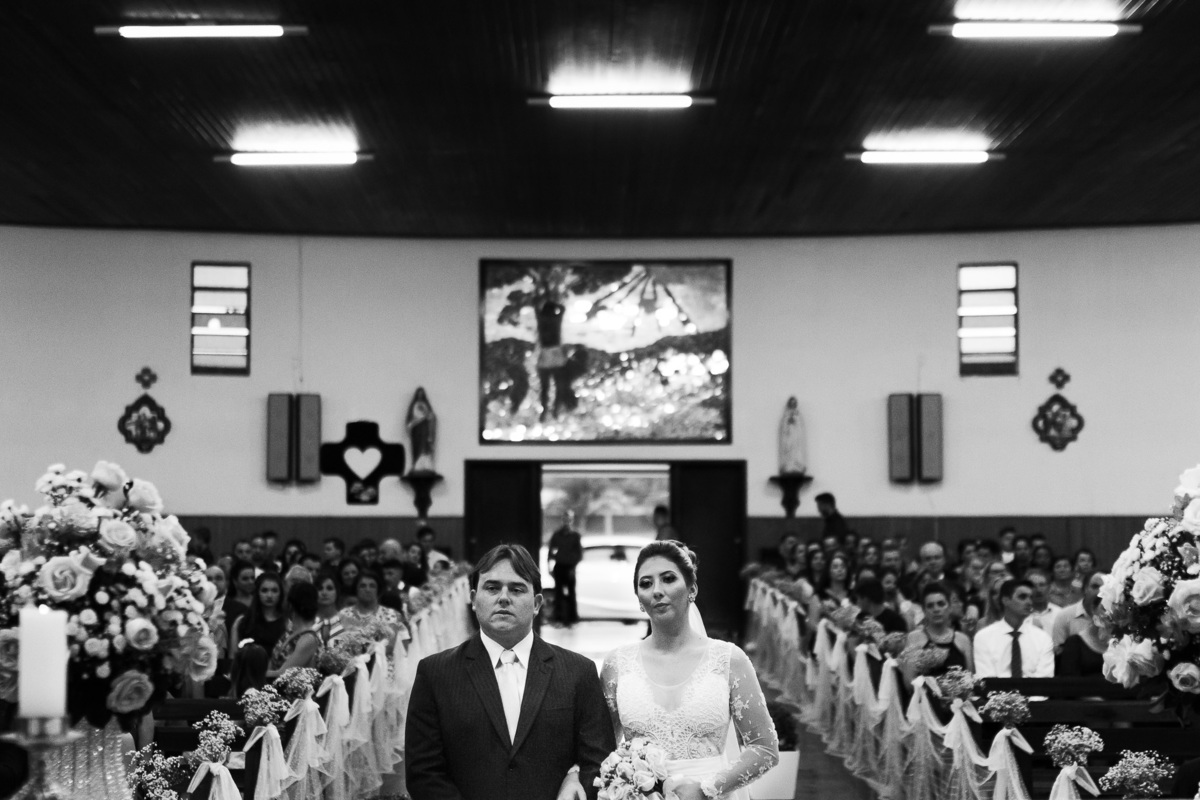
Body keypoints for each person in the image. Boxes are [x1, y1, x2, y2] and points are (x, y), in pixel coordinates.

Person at [406, 543, 614, 800]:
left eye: (517, 589)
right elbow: (423, 773)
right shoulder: (435, 673)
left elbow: (599, 761)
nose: (503, 597)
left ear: (537, 603)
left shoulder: (577, 672)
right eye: (492, 588)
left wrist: (576, 778)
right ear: (473, 599)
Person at [601, 541, 779, 800]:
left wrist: (707, 788)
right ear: (639, 599)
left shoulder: (729, 659)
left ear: (692, 588)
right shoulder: (616, 664)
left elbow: (765, 748)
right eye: (646, 583)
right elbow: (599, 745)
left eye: (668, 579)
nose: (657, 591)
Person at [973, 578, 1054, 678]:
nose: (1029, 602)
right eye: (1022, 597)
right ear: (1005, 600)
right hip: (996, 692)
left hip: (1034, 693)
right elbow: (987, 679)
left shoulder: (1043, 638)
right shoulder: (983, 637)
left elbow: (1044, 680)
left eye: (1031, 597)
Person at [903, 582, 974, 682]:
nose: (936, 609)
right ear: (924, 611)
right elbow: (909, 682)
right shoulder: (914, 638)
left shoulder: (962, 639)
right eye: (930, 606)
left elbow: (970, 679)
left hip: (958, 696)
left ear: (949, 607)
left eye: (941, 604)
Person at [267, 582, 322, 678]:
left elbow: (283, 674)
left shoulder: (308, 639)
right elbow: (272, 665)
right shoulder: (289, 632)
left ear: (291, 604)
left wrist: (250, 673)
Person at [1052, 571, 1106, 654]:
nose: (1099, 592)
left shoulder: (1116, 618)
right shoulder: (1064, 616)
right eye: (1095, 587)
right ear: (1085, 588)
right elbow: (1058, 654)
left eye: (1105, 587)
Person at [547, 511, 583, 625]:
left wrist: (573, 565)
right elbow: (551, 551)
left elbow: (579, 554)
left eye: (569, 519)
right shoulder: (557, 535)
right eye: (565, 519)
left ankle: (572, 619)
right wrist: (550, 566)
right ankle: (558, 619)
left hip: (570, 567)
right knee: (558, 594)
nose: (567, 522)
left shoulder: (575, 535)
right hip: (559, 566)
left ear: (572, 520)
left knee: (571, 593)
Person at [407, 387, 438, 473]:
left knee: (425, 447)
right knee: (417, 446)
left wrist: (429, 417)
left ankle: (426, 465)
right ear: (417, 394)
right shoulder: (413, 405)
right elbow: (409, 419)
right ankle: (416, 465)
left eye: (422, 393)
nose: (420, 395)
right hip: (416, 429)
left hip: (424, 429)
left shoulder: (426, 405)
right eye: (419, 393)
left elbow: (430, 416)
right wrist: (412, 423)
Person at [1023, 568, 1061, 634]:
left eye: (1042, 585)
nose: (1038, 590)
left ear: (1050, 587)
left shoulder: (1060, 613)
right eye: (1033, 586)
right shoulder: (1019, 615)